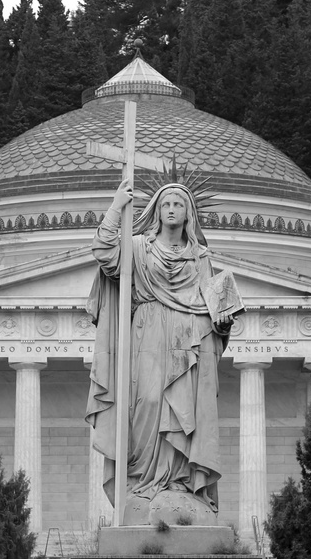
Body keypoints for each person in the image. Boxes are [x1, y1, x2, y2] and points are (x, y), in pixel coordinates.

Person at [86, 177, 234, 517]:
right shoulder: (138, 248)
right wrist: (115, 207)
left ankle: (179, 481)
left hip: (189, 341)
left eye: (178, 204)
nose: (171, 209)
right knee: (148, 402)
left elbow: (213, 308)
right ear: (157, 211)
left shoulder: (201, 257)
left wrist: (223, 324)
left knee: (185, 414)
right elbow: (106, 254)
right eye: (166, 204)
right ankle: (142, 480)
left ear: (188, 214)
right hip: (148, 334)